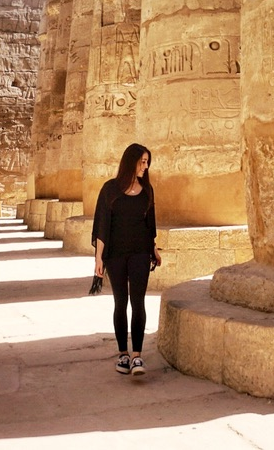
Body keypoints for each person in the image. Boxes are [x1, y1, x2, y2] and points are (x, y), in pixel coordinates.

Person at [92, 142, 162, 377]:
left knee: (139, 302)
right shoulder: (110, 189)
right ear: (130, 161)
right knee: (120, 303)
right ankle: (123, 353)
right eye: (142, 161)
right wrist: (98, 258)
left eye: (147, 161)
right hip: (115, 254)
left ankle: (137, 356)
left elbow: (149, 224)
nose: (146, 166)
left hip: (140, 252)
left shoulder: (147, 190)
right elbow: (102, 225)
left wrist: (154, 248)